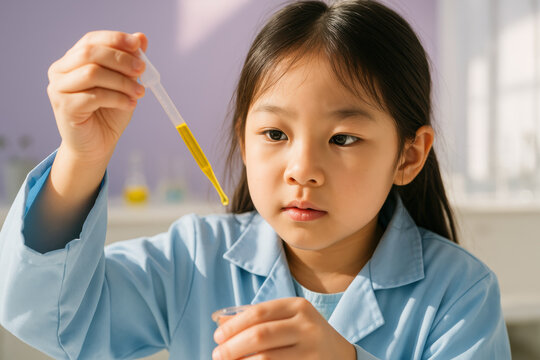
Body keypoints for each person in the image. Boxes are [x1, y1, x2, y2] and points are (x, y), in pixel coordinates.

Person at [0, 1, 511, 359]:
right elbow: (50, 319)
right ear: (243, 142)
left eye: (343, 138)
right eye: (274, 132)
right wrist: (81, 157)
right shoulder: (194, 260)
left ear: (409, 154)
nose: (302, 169)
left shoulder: (460, 294)